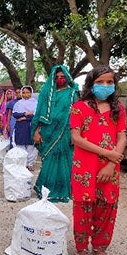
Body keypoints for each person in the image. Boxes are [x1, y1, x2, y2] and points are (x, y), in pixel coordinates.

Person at [69, 65, 126, 255]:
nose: (105, 85)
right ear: (91, 85)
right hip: (84, 166)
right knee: (83, 206)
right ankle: (82, 248)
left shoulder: (119, 109)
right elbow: (76, 138)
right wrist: (108, 153)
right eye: (100, 82)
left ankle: (101, 247)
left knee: (107, 206)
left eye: (109, 82)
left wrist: (111, 162)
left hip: (111, 167)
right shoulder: (79, 107)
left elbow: (122, 136)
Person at [31, 65, 79, 203]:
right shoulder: (46, 93)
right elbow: (39, 114)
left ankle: (64, 190)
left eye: (62, 77)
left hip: (66, 131)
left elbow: (77, 115)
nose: (59, 79)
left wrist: (75, 134)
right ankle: (46, 189)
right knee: (48, 160)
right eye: (57, 77)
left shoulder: (72, 93)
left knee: (65, 160)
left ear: (67, 77)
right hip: (48, 132)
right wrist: (36, 132)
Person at [12, 86, 38, 170]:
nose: (26, 94)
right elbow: (15, 114)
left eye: (27, 92)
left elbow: (36, 116)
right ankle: (22, 163)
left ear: (31, 93)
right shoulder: (18, 103)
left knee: (31, 146)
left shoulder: (36, 103)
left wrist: (24, 118)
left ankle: (30, 164)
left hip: (31, 126)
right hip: (21, 127)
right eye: (23, 92)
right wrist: (25, 113)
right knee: (20, 144)